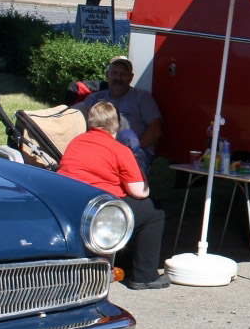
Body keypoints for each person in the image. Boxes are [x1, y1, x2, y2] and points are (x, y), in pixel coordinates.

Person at [58, 101, 169, 289]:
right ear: (117, 125)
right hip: (98, 208)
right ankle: (144, 275)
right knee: (152, 214)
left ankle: (122, 262)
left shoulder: (75, 142)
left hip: (69, 202)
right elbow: (140, 191)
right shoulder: (119, 149)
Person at [80, 56, 162, 171]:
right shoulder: (94, 99)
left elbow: (155, 129)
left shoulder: (142, 97)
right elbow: (78, 122)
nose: (118, 77)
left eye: (123, 74)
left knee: (126, 172)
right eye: (114, 73)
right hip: (99, 148)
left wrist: (133, 146)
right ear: (107, 75)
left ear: (131, 77)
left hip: (133, 151)